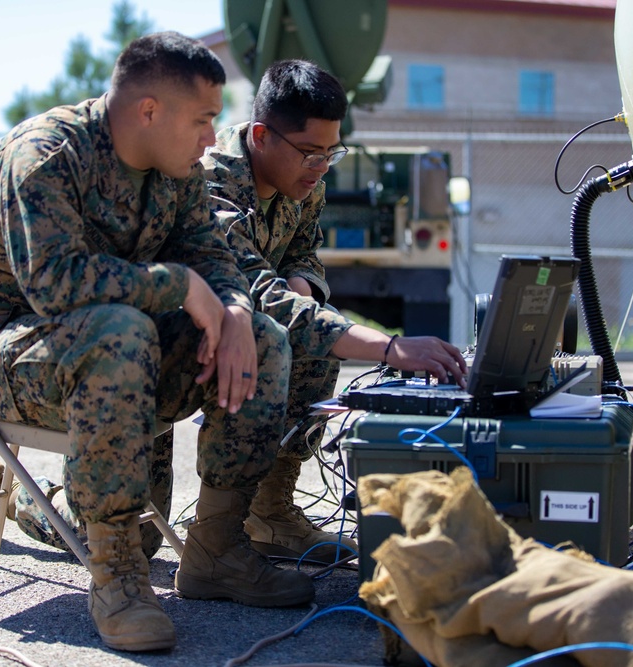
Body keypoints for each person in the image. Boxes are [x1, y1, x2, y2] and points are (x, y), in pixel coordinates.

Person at [0, 32, 313, 654]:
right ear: (149, 111)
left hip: (98, 345)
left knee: (262, 337)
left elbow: (208, 253)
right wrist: (181, 285)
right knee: (120, 331)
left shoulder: (175, 166)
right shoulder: (46, 155)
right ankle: (115, 571)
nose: (211, 139)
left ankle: (217, 547)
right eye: (203, 120)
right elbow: (57, 286)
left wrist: (237, 309)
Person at [201, 59, 469, 562]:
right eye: (309, 152)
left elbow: (304, 250)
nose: (321, 166)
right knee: (128, 526)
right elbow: (258, 294)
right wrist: (390, 348)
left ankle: (269, 510)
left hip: (244, 330)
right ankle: (27, 498)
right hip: (181, 337)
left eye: (331, 152)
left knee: (313, 338)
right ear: (261, 136)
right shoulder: (214, 183)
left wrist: (302, 279)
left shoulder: (306, 176)